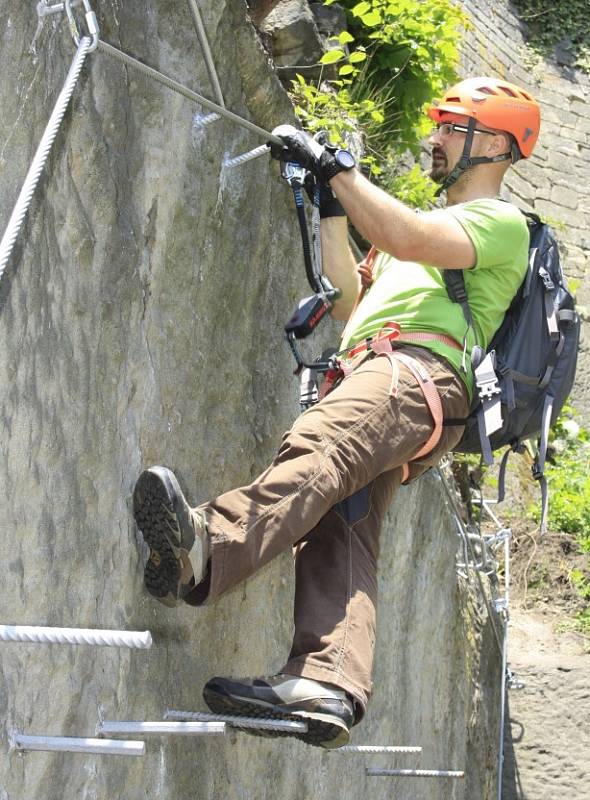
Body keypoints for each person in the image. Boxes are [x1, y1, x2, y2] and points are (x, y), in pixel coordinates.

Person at [132, 77, 541, 748]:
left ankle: (208, 547)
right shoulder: (426, 235)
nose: (432, 139)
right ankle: (327, 681)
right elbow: (351, 300)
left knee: (320, 446)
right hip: (389, 375)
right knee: (340, 527)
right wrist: (329, 200)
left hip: (413, 375)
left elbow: (405, 234)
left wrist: (341, 167)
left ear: (493, 143)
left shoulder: (498, 223)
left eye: (450, 127)